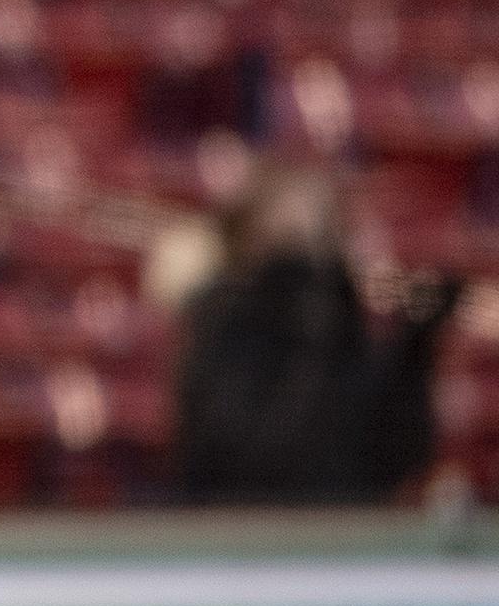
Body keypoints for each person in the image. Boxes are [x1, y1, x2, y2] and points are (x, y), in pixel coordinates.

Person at [174, 164, 457, 504]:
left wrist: (416, 347)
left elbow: (391, 455)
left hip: (343, 519)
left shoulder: (341, 313)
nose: (305, 252)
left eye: (317, 236)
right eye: (286, 241)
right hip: (241, 517)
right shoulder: (222, 315)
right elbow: (235, 452)